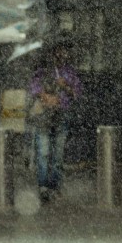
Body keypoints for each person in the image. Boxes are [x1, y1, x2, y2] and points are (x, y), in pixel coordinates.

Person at [29, 38, 81, 203]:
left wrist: (65, 86)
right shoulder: (43, 70)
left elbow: (77, 93)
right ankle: (43, 187)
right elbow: (33, 87)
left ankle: (55, 186)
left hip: (62, 114)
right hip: (44, 115)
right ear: (51, 53)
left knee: (58, 155)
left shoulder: (69, 72)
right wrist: (46, 96)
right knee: (43, 153)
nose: (61, 54)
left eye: (64, 51)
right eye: (58, 51)